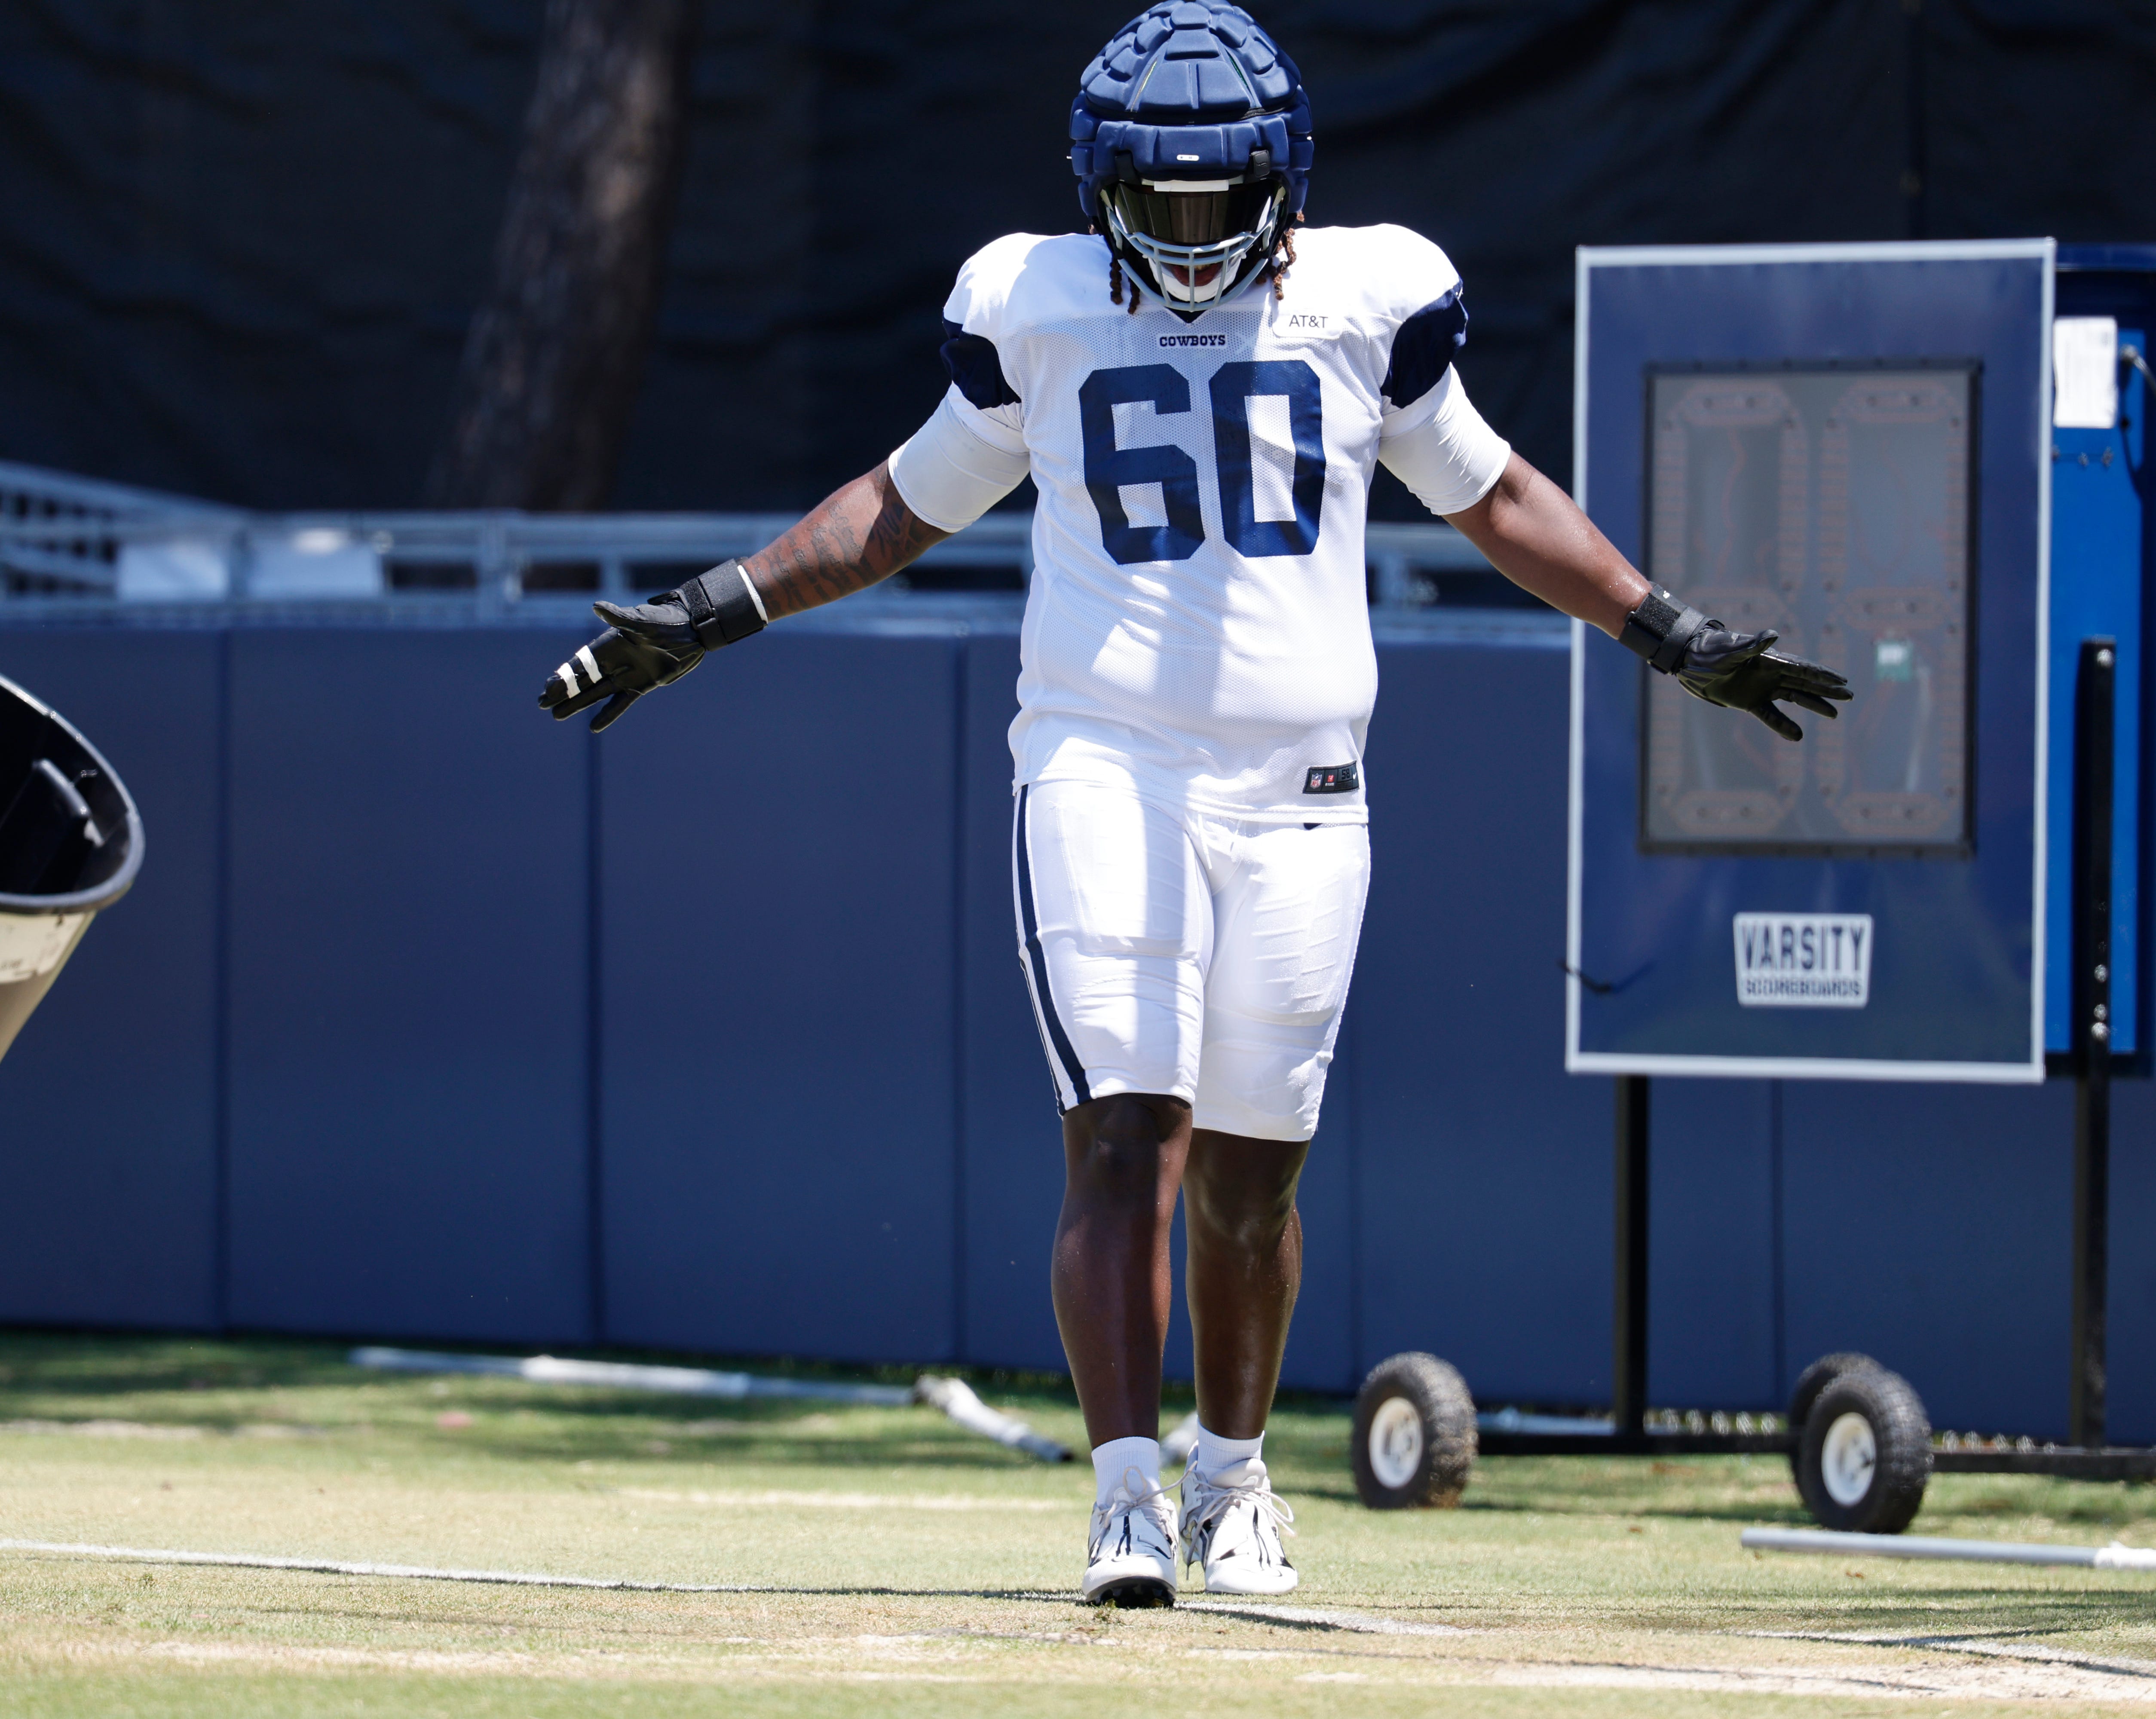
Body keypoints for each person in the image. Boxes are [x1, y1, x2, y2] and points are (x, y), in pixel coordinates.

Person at [536, 1, 1849, 1609]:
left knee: (1253, 1176)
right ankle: (1124, 1498)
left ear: (1280, 182)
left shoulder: (1369, 300)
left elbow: (1495, 493)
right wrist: (715, 610)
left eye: (1218, 198)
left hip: (1304, 786)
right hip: (1106, 761)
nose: (1188, 231)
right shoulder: (1034, 305)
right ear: (1102, 186)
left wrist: (1669, 630)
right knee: (1124, 1141)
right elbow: (900, 504)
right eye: (1155, 200)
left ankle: (1236, 1474)